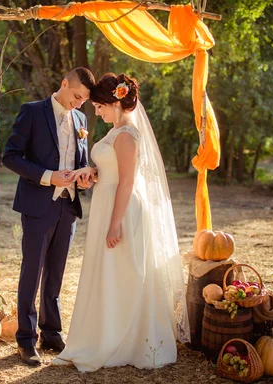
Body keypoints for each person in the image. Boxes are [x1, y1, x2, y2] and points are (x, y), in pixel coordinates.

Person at [52, 73, 190, 372]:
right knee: (107, 272)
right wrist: (91, 172)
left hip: (122, 209)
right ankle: (104, 333)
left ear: (115, 102)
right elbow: (110, 170)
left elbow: (127, 182)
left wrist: (115, 224)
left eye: (100, 106)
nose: (96, 111)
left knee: (123, 271)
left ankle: (125, 340)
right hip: (106, 202)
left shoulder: (127, 135)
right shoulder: (115, 132)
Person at [2, 67, 96, 366]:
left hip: (68, 207)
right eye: (77, 96)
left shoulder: (80, 119)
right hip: (37, 205)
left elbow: (80, 161)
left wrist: (84, 177)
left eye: (84, 100)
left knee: (55, 273)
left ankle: (51, 333)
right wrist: (47, 176)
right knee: (32, 273)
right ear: (64, 83)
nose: (79, 103)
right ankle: (26, 340)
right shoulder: (32, 112)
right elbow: (11, 156)